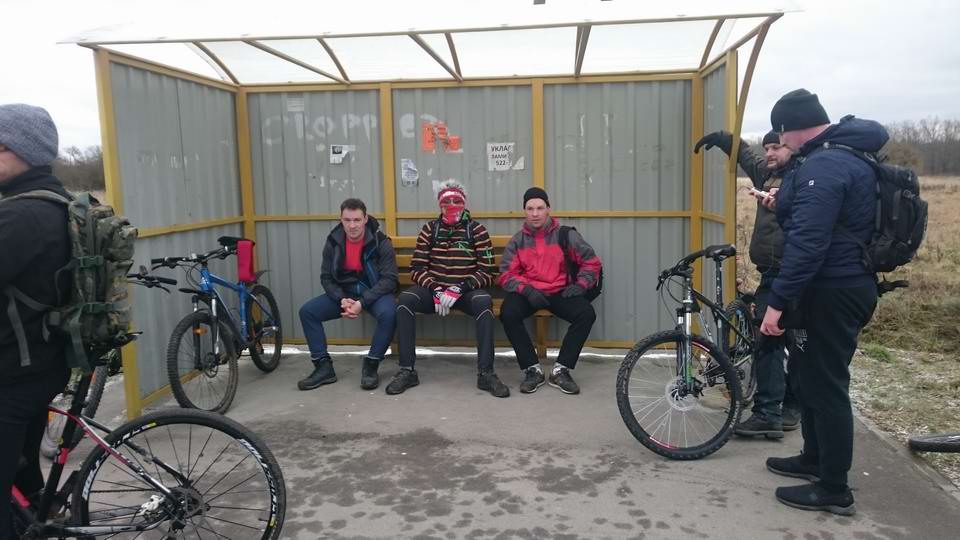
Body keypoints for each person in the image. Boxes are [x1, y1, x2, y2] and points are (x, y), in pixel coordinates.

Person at [760, 89, 883, 516]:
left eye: (780, 133)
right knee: (809, 376)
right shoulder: (834, 157)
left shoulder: (825, 164)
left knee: (827, 385)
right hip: (831, 286)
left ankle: (834, 488)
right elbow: (821, 219)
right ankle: (814, 458)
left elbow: (809, 243)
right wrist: (784, 201)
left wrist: (777, 303)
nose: (779, 142)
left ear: (792, 127)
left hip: (834, 289)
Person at [694, 129, 801, 438]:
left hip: (795, 272)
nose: (770, 153)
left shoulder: (804, 175)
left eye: (776, 147)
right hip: (771, 270)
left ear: (792, 147)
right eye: (767, 147)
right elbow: (747, 156)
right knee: (773, 339)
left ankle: (782, 409)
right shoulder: (767, 174)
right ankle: (775, 411)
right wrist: (723, 139)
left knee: (792, 342)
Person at [0, 104, 72, 539]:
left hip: (15, 371)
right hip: (46, 359)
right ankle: (42, 519)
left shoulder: (19, 215)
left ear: (24, 150)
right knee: (22, 468)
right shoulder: (60, 202)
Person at [390, 179, 509, 398]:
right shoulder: (430, 229)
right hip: (434, 292)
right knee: (405, 300)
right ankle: (407, 370)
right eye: (446, 202)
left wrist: (460, 288)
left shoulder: (477, 230)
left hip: (465, 293)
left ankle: (486, 373)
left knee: (484, 302)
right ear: (439, 204)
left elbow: (488, 271)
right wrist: (435, 289)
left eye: (457, 201)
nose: (452, 206)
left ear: (464, 203)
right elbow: (417, 268)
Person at [498, 187, 602, 395]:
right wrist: (526, 290)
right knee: (508, 312)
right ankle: (532, 369)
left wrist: (581, 285)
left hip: (560, 291)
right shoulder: (518, 240)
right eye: (530, 209)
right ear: (524, 211)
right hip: (531, 293)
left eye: (540, 208)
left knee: (586, 314)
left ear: (548, 209)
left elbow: (591, 262)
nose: (535, 213)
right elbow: (506, 274)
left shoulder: (566, 235)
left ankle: (561, 370)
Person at [298, 198, 398, 391]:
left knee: (390, 313)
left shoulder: (380, 241)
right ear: (341, 220)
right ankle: (323, 367)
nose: (352, 226)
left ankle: (371, 365)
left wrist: (362, 302)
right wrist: (341, 299)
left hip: (374, 293)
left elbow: (389, 280)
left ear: (365, 219)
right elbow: (326, 277)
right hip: (345, 294)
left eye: (357, 220)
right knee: (308, 312)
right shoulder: (333, 242)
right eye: (347, 220)